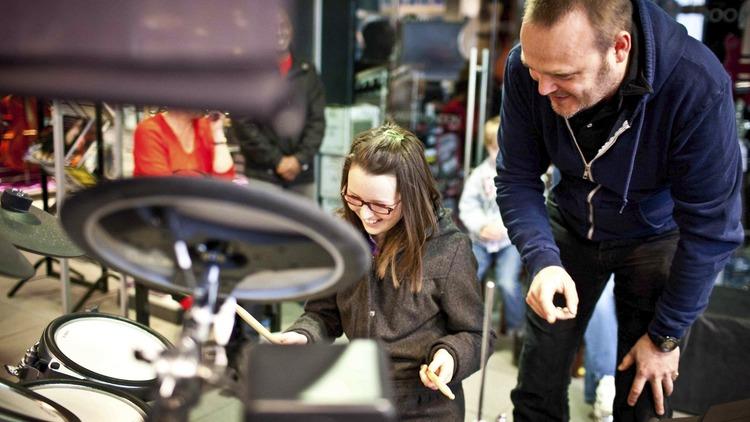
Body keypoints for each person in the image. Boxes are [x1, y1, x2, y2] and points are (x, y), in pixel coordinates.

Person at [495, 1, 743, 421]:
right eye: (536, 72)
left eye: (563, 75)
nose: (542, 89)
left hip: (654, 233)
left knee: (643, 391)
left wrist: (666, 336)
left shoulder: (696, 86)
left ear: (620, 48)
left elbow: (711, 231)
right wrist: (541, 261)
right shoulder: (529, 66)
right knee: (536, 381)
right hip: (570, 221)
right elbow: (517, 176)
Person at [277, 123, 491, 421]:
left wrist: (450, 355)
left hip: (426, 404)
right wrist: (304, 334)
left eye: (380, 206)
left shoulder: (449, 250)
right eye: (353, 198)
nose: (364, 214)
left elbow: (478, 332)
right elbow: (323, 313)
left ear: (412, 197)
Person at [230, 9, 325, 200]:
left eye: (284, 26)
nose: (279, 32)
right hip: (261, 176)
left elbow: (317, 121)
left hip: (302, 178)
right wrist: (277, 160)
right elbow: (242, 124)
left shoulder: (307, 71)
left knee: (303, 230)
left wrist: (298, 160)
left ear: (291, 29)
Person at [459, 116, 525, 335]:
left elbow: (525, 209)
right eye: (494, 149)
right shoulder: (479, 175)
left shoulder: (522, 175)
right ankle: (467, 325)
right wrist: (481, 227)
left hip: (508, 242)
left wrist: (504, 229)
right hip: (481, 240)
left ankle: (517, 330)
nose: (499, 155)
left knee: (507, 283)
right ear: (488, 146)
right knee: (468, 277)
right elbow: (467, 206)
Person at [133, 109, 235, 179]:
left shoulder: (206, 126)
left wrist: (217, 132)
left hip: (200, 205)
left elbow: (225, 179)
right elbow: (162, 188)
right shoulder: (150, 130)